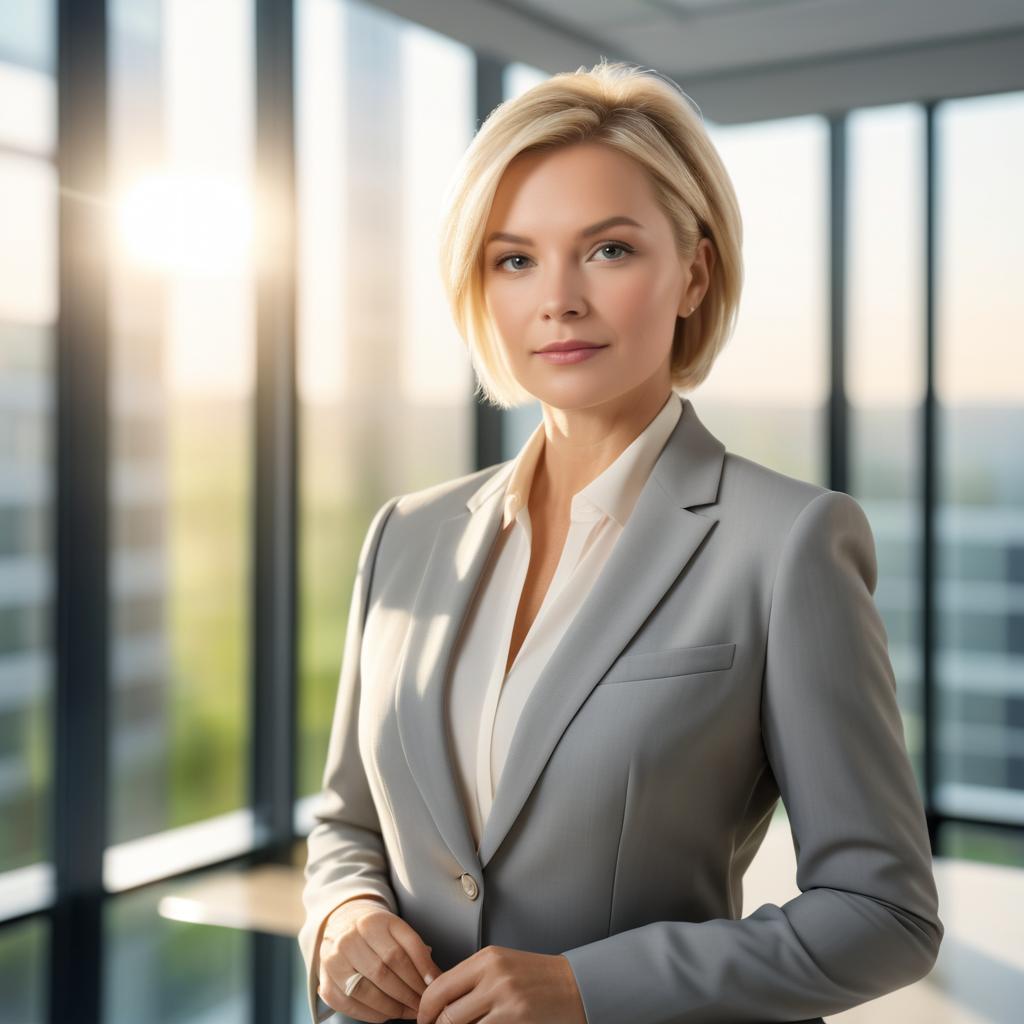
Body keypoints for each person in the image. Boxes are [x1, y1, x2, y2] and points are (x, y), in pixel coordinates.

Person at [298, 59, 943, 1024]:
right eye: (514, 259)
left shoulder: (789, 543)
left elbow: (885, 913)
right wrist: (341, 912)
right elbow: (349, 820)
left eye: (606, 251)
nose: (557, 299)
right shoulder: (407, 534)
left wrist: (589, 988)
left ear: (694, 271)